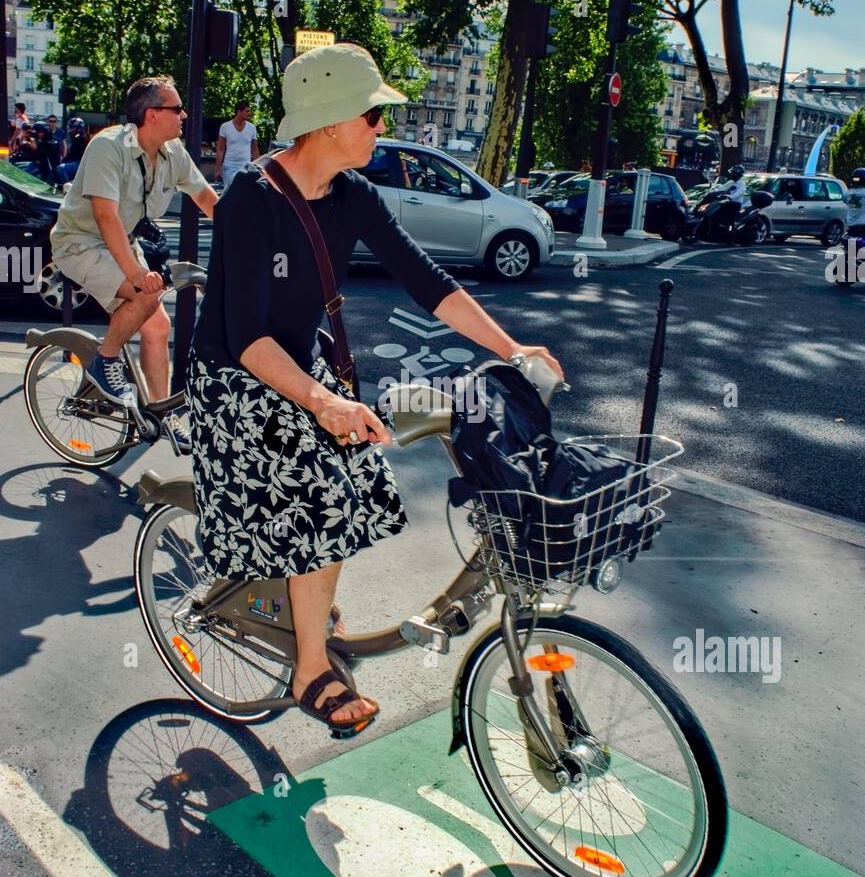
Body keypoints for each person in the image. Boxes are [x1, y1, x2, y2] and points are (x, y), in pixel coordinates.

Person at [188, 42, 563, 736]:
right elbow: (245, 337)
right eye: (371, 115)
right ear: (329, 119)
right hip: (237, 377)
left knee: (360, 475)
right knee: (320, 496)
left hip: (301, 365)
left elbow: (427, 282)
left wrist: (511, 348)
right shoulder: (251, 200)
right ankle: (309, 668)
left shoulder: (354, 195)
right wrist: (325, 400)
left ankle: (305, 593)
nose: (379, 127)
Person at [50, 75, 219, 451]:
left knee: (158, 326)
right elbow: (106, 218)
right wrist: (138, 276)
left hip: (122, 244)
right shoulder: (108, 147)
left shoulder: (172, 152)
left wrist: (246, 238)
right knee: (146, 296)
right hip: (80, 244)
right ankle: (103, 360)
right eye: (176, 108)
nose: (184, 114)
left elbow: (207, 198)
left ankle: (161, 414)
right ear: (153, 114)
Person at [214, 101, 259, 188]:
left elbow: (254, 149)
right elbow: (220, 148)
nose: (250, 113)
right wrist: (217, 169)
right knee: (231, 192)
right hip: (229, 167)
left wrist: (259, 167)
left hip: (246, 167)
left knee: (244, 192)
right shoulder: (225, 127)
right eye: (247, 111)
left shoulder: (251, 128)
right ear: (239, 112)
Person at [55, 116, 89, 184]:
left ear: (78, 128)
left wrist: (64, 160)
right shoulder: (75, 137)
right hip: (77, 161)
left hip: (81, 163)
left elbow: (73, 153)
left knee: (61, 168)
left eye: (72, 127)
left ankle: (68, 189)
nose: (70, 129)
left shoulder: (80, 138)